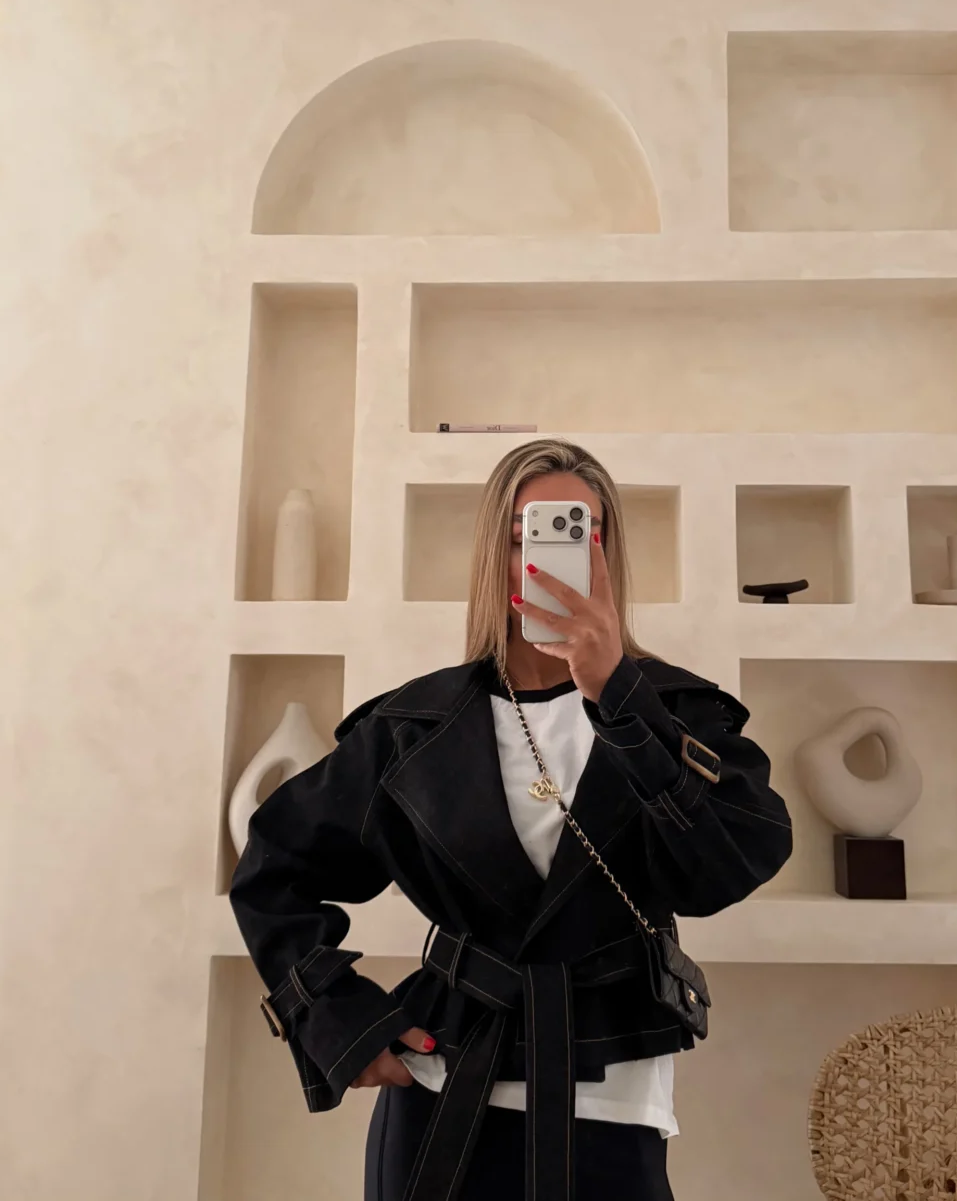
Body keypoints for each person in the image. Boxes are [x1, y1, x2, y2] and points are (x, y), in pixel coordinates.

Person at [230, 438, 793, 1201]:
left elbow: (727, 864)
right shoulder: (412, 729)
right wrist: (337, 1021)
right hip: (442, 1091)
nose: (552, 555)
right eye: (531, 533)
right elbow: (275, 866)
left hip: (615, 1093)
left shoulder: (679, 715)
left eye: (579, 532)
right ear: (498, 552)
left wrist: (620, 698)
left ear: (606, 554)